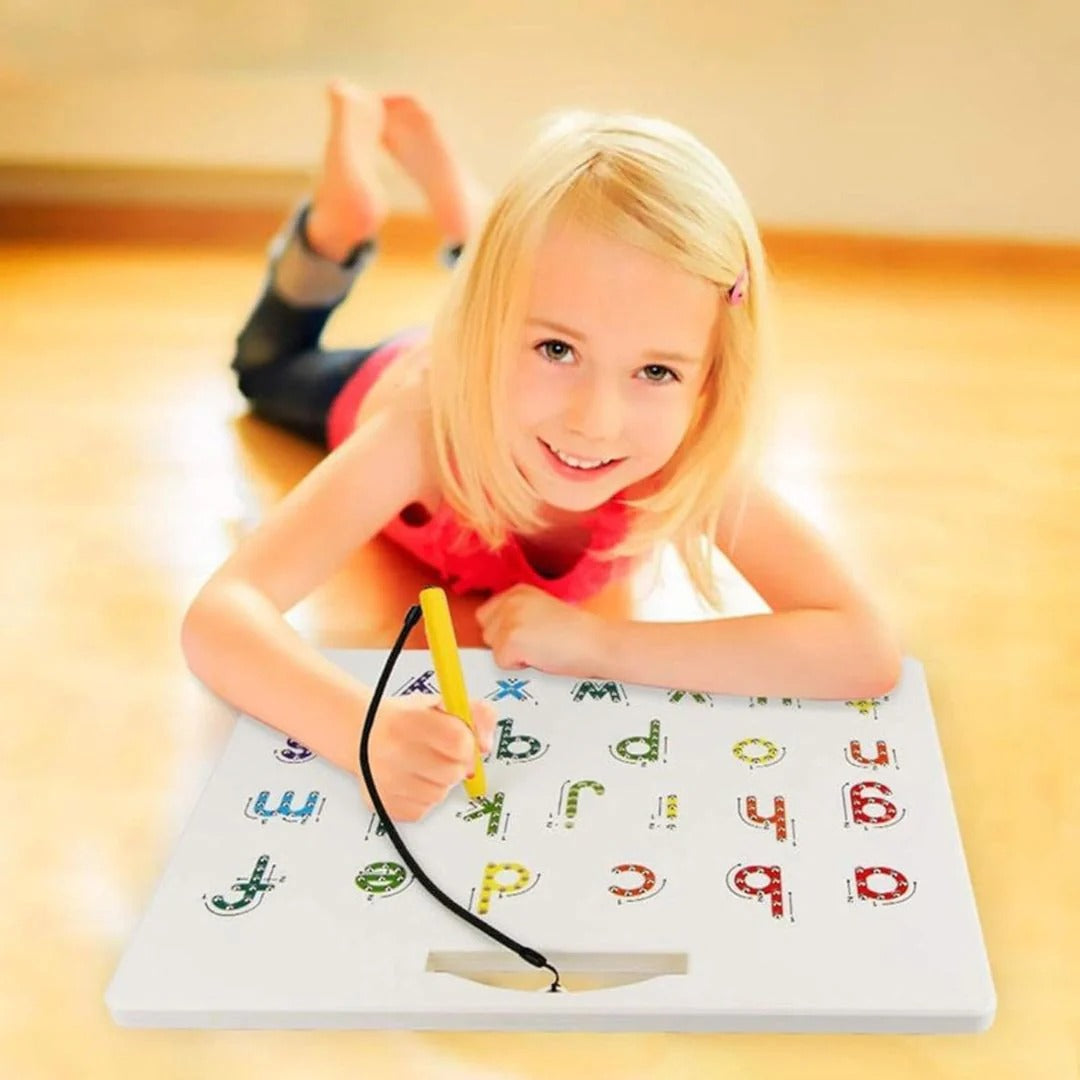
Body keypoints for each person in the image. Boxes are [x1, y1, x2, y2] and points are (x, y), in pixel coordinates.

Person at [181, 80, 901, 823]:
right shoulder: (421, 429)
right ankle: (335, 233)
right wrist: (362, 730)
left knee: (543, 288)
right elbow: (221, 616)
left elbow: (863, 649)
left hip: (500, 329)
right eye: (558, 350)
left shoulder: (688, 446)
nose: (597, 421)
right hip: (392, 377)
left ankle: (471, 221)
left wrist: (600, 646)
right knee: (264, 368)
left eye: (657, 371)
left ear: (711, 378)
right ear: (486, 332)